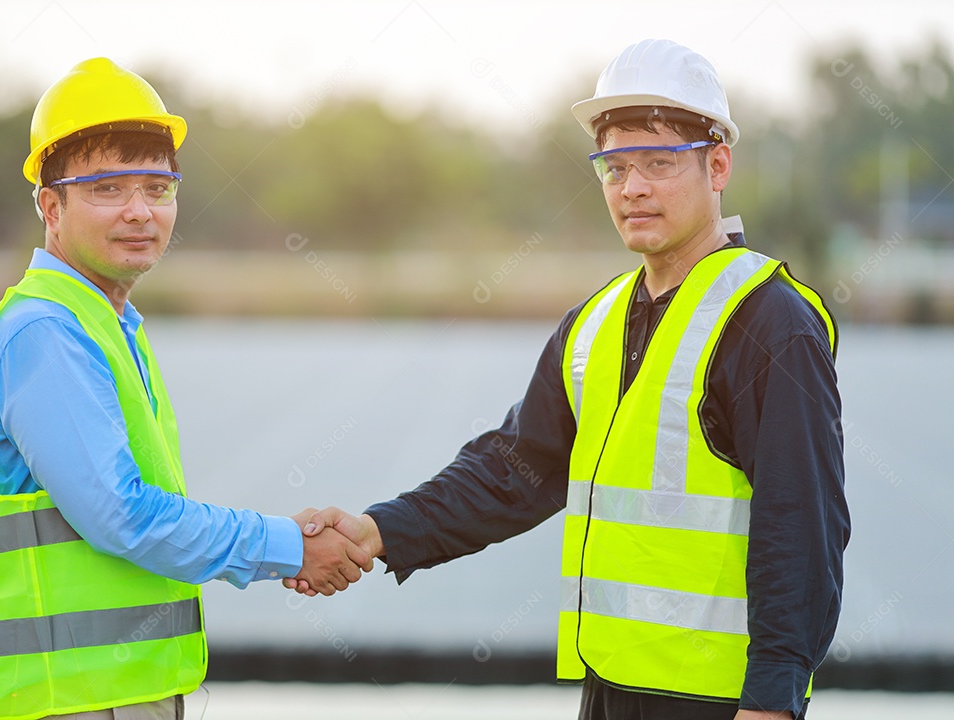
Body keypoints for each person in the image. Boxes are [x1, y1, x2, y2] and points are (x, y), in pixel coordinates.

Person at [286, 39, 850, 720]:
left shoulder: (770, 322)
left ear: (718, 164)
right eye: (614, 166)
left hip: (720, 702)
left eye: (659, 162)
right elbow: (514, 470)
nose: (633, 187)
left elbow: (802, 527)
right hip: (609, 687)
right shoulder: (596, 323)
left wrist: (773, 702)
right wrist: (378, 531)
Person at [0, 57, 371, 720]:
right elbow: (123, 516)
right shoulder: (44, 333)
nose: (140, 211)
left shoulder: (106, 326)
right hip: (72, 702)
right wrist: (290, 546)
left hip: (108, 694)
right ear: (51, 206)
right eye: (109, 188)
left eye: (157, 188)